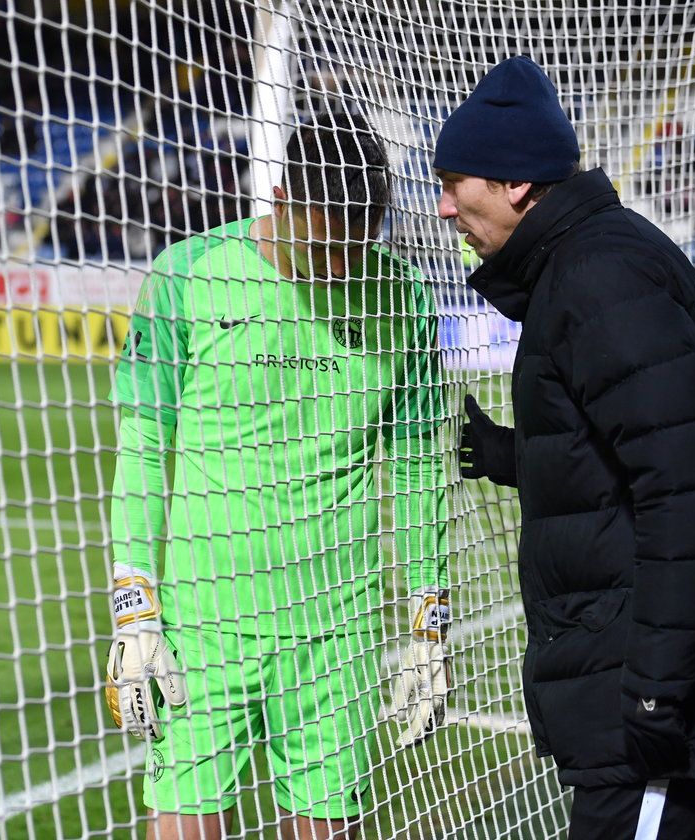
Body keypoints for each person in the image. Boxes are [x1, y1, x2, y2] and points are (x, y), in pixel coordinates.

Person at [434, 56, 695, 839]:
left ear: (516, 184)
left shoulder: (599, 277)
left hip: (654, 698)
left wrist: (655, 692)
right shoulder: (586, 264)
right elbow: (638, 450)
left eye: (455, 183)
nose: (444, 208)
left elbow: (686, 495)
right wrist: (523, 456)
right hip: (645, 676)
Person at [105, 109, 450, 840]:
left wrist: (428, 620)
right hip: (203, 630)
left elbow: (419, 464)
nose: (341, 266)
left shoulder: (402, 294)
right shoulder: (186, 275)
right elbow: (141, 447)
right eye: (327, 244)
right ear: (282, 199)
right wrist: (134, 609)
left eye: (359, 245)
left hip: (337, 633)